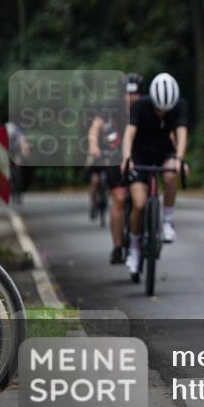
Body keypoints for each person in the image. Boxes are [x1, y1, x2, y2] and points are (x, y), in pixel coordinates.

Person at [121, 73, 188, 278]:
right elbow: (129, 133)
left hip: (163, 151)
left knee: (170, 175)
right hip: (140, 154)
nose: (162, 113)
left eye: (166, 111)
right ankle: (133, 247)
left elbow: (181, 133)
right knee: (139, 204)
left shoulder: (179, 105)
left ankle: (167, 219)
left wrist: (179, 159)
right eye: (159, 109)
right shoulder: (140, 106)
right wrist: (127, 158)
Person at [87, 73, 143, 264]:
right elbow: (95, 128)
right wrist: (94, 145)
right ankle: (118, 246)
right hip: (115, 154)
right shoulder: (112, 107)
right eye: (128, 95)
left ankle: (148, 229)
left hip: (141, 155)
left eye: (135, 95)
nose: (131, 99)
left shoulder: (146, 108)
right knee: (119, 198)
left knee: (145, 196)